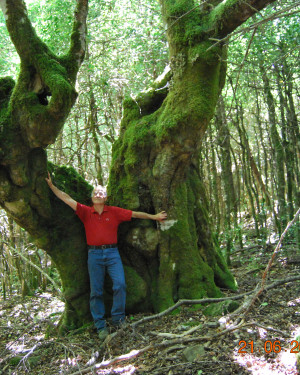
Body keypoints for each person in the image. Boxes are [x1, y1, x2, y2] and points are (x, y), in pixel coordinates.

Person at [45, 173, 167, 340]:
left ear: (106, 197)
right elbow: (67, 199)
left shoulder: (114, 212)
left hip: (112, 253)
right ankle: (100, 325)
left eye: (101, 193)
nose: (98, 195)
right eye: (95, 193)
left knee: (120, 285)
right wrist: (52, 187)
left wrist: (154, 217)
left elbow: (135, 214)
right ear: (92, 197)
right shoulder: (86, 212)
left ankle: (118, 319)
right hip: (94, 254)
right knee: (96, 291)